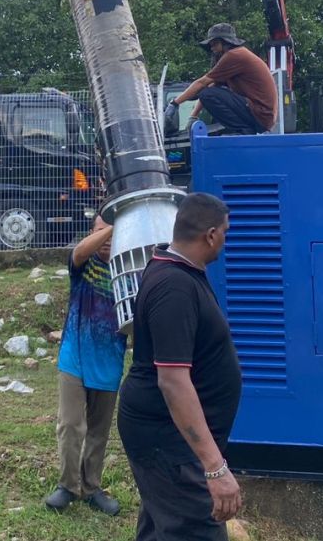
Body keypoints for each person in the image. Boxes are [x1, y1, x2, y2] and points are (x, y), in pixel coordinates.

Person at [117, 192, 242, 540]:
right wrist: (215, 469)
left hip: (168, 440)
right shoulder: (174, 286)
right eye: (226, 233)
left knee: (162, 529)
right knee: (196, 529)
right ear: (211, 235)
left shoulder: (179, 272)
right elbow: (172, 382)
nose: (225, 241)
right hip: (166, 441)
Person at [45, 214, 126, 516]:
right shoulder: (82, 265)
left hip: (109, 360)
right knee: (70, 424)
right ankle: (67, 486)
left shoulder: (126, 272)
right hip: (74, 356)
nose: (105, 240)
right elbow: (79, 251)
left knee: (98, 430)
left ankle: (91, 487)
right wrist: (113, 228)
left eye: (111, 234)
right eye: (99, 231)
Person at [164, 23, 276, 136]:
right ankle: (242, 129)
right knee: (208, 92)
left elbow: (202, 83)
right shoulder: (235, 59)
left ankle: (242, 130)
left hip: (260, 113)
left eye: (214, 44)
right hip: (261, 115)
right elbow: (210, 86)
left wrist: (174, 103)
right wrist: (194, 116)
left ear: (226, 42)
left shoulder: (234, 55)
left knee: (207, 94)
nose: (212, 49)